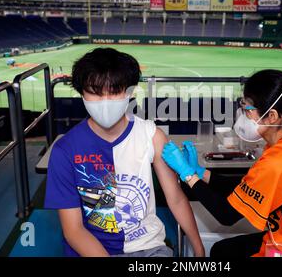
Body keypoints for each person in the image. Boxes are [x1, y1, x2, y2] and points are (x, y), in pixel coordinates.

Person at [162, 69, 282, 257]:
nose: (243, 115)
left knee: (223, 252)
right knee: (224, 250)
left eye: (248, 109)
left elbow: (227, 215)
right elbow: (247, 188)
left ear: (272, 116)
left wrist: (188, 174)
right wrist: (201, 172)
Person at [45, 48, 204, 257]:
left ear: (129, 92)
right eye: (94, 92)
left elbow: (175, 198)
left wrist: (199, 250)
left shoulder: (151, 136)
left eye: (114, 91)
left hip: (147, 247)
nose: (105, 101)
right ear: (81, 93)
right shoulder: (65, 150)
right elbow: (74, 231)